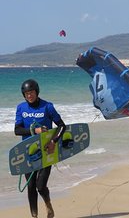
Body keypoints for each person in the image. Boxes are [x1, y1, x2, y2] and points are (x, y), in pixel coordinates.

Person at [14, 79, 66, 218]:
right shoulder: (21, 108)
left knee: (40, 186)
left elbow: (62, 126)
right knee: (30, 186)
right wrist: (35, 131)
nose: (29, 96)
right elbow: (17, 130)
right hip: (28, 153)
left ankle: (48, 205)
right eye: (26, 93)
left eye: (31, 92)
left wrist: (54, 141)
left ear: (36, 92)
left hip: (46, 151)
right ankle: (34, 216)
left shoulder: (47, 107)